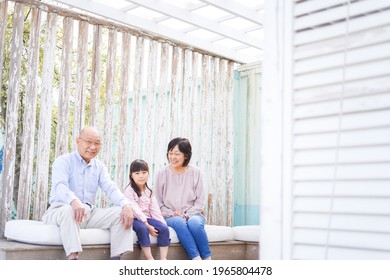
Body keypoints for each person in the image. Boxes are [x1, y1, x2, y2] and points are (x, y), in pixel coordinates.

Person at [42, 127, 134, 260]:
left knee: (120, 212)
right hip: (60, 210)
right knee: (69, 210)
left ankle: (116, 260)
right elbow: (60, 186)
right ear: (78, 141)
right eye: (89, 142)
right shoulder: (63, 161)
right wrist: (73, 200)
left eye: (97, 143)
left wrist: (126, 205)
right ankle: (73, 258)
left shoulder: (99, 167)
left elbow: (110, 187)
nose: (93, 147)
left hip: (87, 214)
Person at [154, 137, 212, 260]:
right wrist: (172, 214)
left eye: (177, 154)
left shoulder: (196, 172)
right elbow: (157, 202)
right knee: (179, 222)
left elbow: (200, 202)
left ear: (186, 155)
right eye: (170, 153)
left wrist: (186, 215)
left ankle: (207, 259)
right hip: (169, 216)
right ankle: (196, 258)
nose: (172, 157)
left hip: (193, 214)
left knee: (195, 223)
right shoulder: (161, 173)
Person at [124, 159, 170, 260]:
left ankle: (163, 258)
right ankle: (150, 258)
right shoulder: (129, 190)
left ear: (148, 173)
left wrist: (163, 224)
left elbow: (155, 210)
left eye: (144, 172)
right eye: (137, 173)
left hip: (147, 218)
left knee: (164, 229)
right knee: (142, 229)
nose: (141, 176)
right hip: (134, 218)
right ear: (131, 175)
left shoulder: (149, 191)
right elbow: (135, 210)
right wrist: (147, 225)